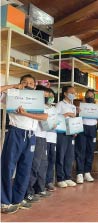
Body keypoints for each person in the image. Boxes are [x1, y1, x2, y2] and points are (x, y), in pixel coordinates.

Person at [1, 74, 48, 214]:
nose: (28, 84)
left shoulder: (37, 100)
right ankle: (4, 201)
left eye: (31, 83)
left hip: (31, 135)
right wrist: (13, 86)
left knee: (25, 169)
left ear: (34, 86)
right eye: (24, 82)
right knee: (7, 167)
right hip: (15, 133)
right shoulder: (12, 96)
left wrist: (26, 113)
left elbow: (44, 117)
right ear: (20, 84)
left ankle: (18, 198)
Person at [25, 85, 53, 202]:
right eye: (44, 96)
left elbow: (46, 122)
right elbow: (43, 121)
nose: (46, 98)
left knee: (42, 164)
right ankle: (28, 192)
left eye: (47, 96)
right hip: (35, 136)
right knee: (34, 165)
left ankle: (38, 189)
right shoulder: (34, 105)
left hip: (43, 137)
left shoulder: (44, 107)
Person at [56, 86, 77, 188]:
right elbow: (55, 118)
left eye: (74, 92)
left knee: (69, 156)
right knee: (61, 155)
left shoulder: (73, 106)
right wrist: (67, 114)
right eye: (71, 92)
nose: (73, 94)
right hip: (61, 132)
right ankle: (60, 178)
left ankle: (68, 177)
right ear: (65, 93)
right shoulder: (60, 104)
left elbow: (74, 120)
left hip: (70, 133)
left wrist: (75, 130)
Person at [75, 89, 98, 183]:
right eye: (88, 96)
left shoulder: (97, 107)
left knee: (90, 151)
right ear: (85, 97)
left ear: (94, 98)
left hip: (93, 129)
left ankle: (87, 172)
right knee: (80, 150)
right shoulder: (80, 106)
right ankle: (79, 173)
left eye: (91, 96)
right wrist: (77, 112)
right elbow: (76, 117)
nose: (90, 97)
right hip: (82, 128)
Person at [44, 89, 57, 192]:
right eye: (48, 95)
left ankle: (48, 181)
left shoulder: (54, 109)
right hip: (44, 137)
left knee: (52, 160)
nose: (50, 97)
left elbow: (57, 122)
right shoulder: (41, 108)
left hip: (53, 138)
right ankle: (41, 182)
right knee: (44, 161)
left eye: (52, 96)